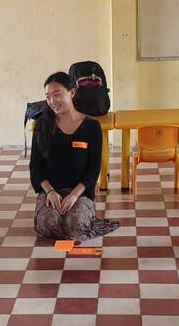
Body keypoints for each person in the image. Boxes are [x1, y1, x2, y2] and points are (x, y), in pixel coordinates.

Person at [29, 71, 120, 241]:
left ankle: (78, 216)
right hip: (51, 191)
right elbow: (35, 167)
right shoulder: (42, 125)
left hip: (79, 192)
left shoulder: (91, 126)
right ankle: (58, 217)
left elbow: (93, 170)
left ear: (72, 92)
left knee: (76, 225)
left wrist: (74, 196)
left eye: (57, 95)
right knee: (47, 223)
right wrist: (50, 192)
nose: (52, 101)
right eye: (48, 97)